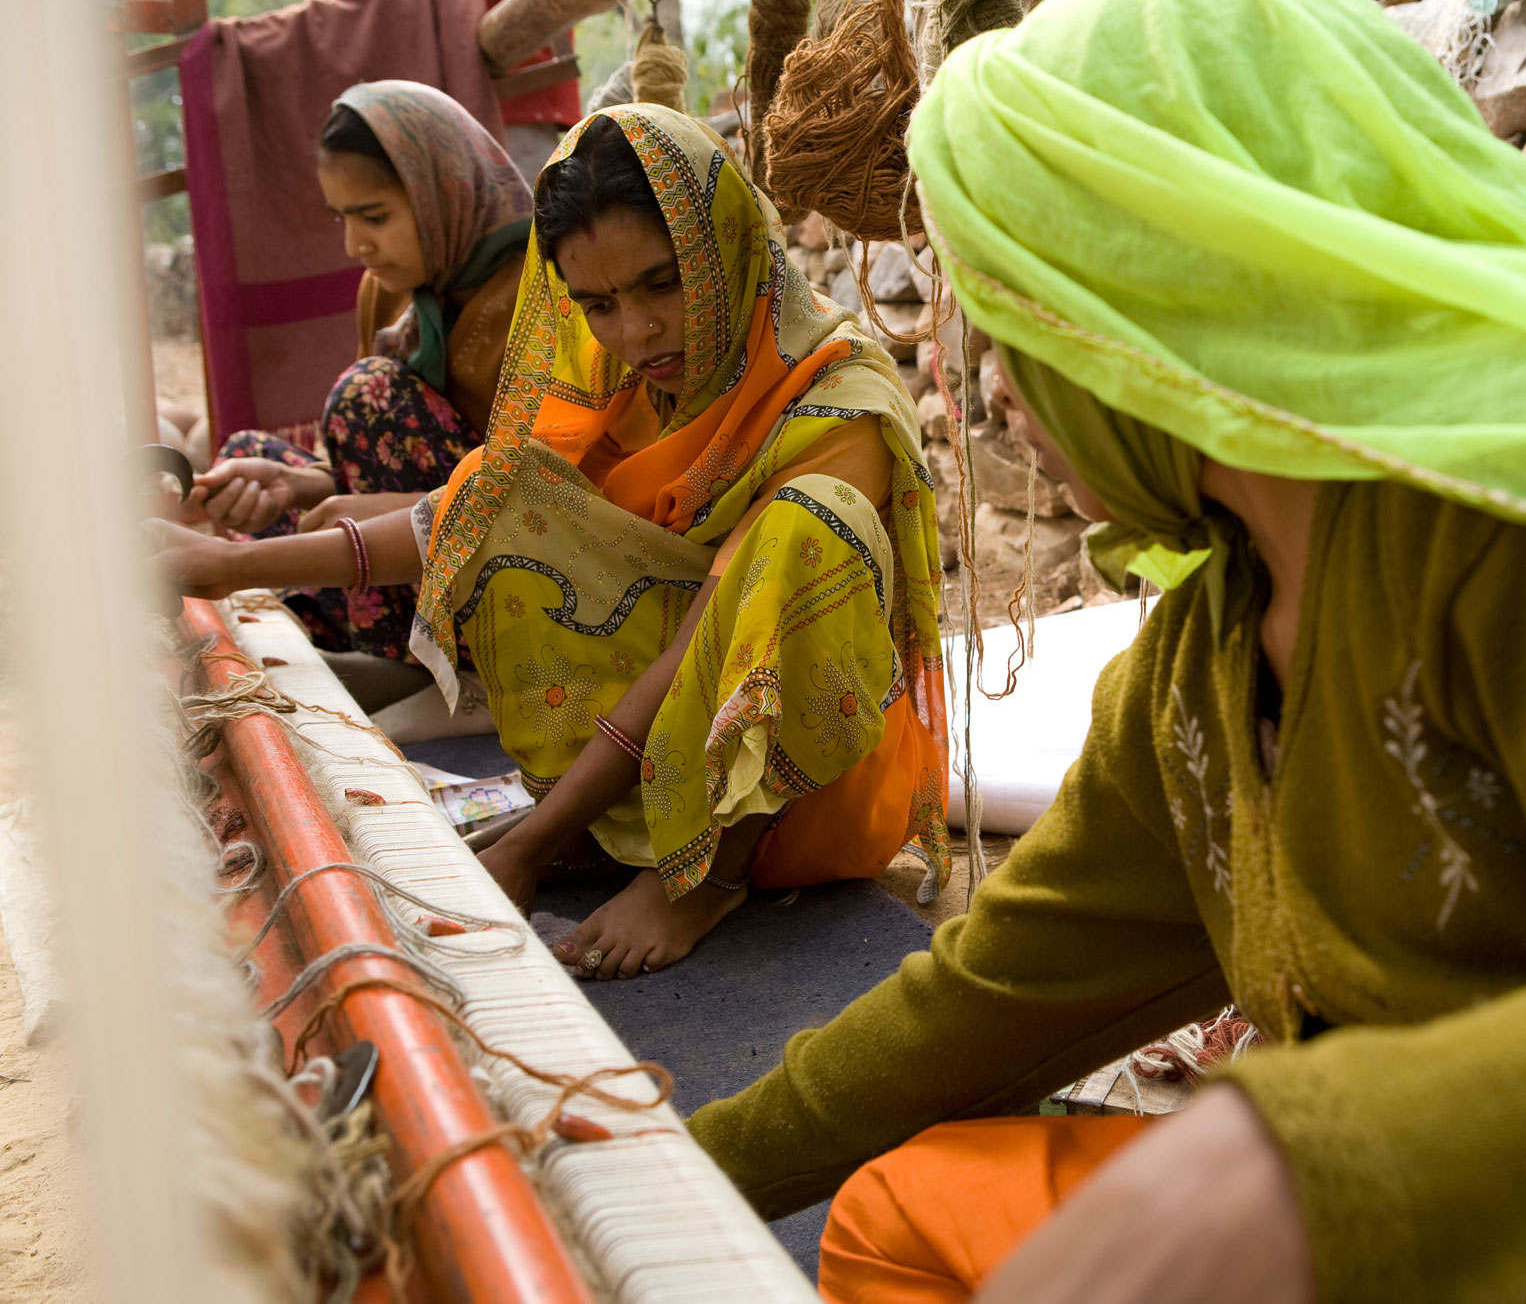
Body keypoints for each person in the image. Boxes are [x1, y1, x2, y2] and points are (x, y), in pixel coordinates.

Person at [679, 0, 1526, 1300]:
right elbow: (993, 999)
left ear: (1167, 292)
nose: (1000, 391)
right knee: (908, 1214)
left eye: (1023, 320)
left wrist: (1301, 1163)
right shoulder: (1211, 652)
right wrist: (677, 1176)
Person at [153, 105, 951, 974]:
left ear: (727, 246)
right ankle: (622, 833)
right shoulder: (624, 374)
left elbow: (700, 647)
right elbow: (469, 512)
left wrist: (533, 843)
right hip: (650, 746)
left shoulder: (839, 397)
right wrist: (229, 566)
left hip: (798, 792)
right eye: (599, 303)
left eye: (662, 284)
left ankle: (709, 874)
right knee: (511, 483)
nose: (636, 332)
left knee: (808, 526)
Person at [189, 80, 533, 664]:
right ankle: (374, 638)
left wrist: (411, 511)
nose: (354, 245)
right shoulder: (390, 292)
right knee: (252, 456)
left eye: (374, 216)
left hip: (512, 569)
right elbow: (382, 463)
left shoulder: (542, 295)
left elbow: (556, 501)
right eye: (342, 219)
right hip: (408, 545)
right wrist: (306, 484)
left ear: (440, 193)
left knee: (368, 395)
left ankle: (416, 665)